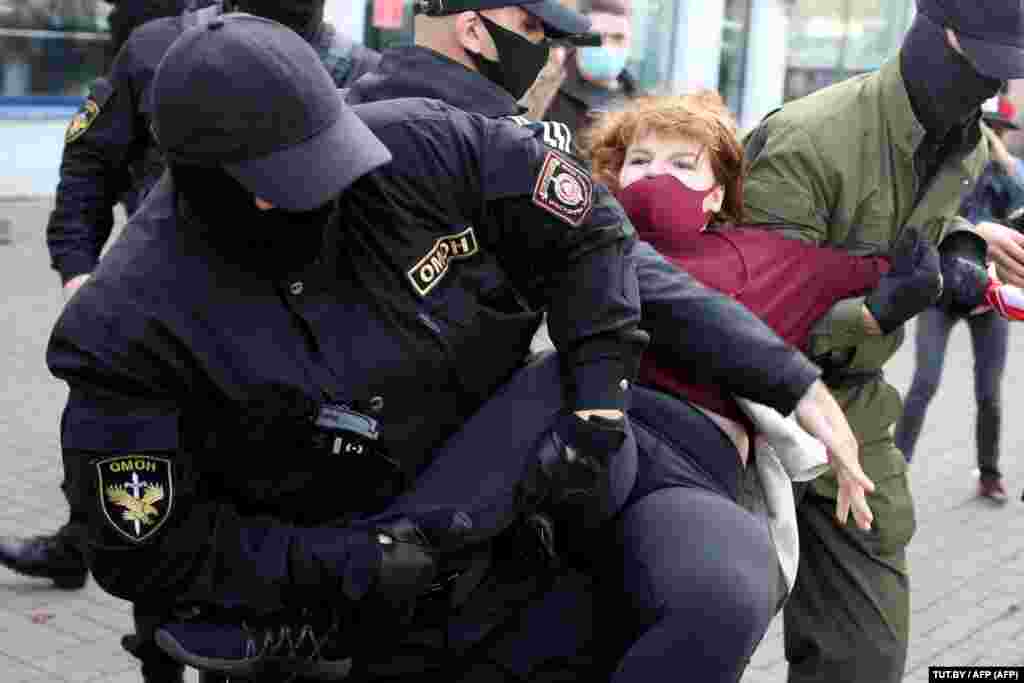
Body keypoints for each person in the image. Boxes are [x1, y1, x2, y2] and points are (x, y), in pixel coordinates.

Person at [48, 10, 650, 682]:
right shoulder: (124, 328)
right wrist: (349, 559)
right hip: (311, 582)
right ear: (210, 182)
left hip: (478, 508)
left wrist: (601, 389)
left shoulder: (416, 138)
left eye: (334, 155)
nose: (333, 190)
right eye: (299, 181)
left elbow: (590, 227)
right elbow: (146, 546)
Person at [345, 4, 893, 682]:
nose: (554, 57)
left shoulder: (467, 129)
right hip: (457, 474)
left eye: (684, 165)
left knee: (718, 588)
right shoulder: (453, 140)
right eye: (540, 35)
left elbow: (629, 265)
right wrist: (793, 379)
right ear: (474, 29)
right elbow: (629, 270)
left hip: (603, 457)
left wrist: (801, 373)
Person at [2, 0, 383, 603]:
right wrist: (77, 269)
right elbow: (91, 159)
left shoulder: (357, 65)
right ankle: (87, 548)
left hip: (305, 309)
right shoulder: (160, 46)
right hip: (173, 303)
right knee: (142, 477)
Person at [740, 1, 1024, 681]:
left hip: (856, 415)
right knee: (702, 626)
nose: (994, 89)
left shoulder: (962, 140)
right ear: (936, 39)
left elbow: (904, 227)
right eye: (984, 67)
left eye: (1007, 72)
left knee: (866, 656)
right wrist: (869, 315)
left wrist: (959, 252)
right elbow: (746, 314)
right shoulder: (810, 139)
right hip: (750, 415)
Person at [896, 95, 1024, 503]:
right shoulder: (950, 166)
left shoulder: (1004, 177)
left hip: (989, 302)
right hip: (941, 293)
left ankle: (989, 474)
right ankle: (896, 470)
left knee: (989, 392)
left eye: (999, 130)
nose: (991, 136)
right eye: (986, 128)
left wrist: (1003, 158)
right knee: (924, 383)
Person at [542, 0, 640, 137]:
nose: (607, 47)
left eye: (617, 38)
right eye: (596, 37)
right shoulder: (547, 94)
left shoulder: (641, 106)